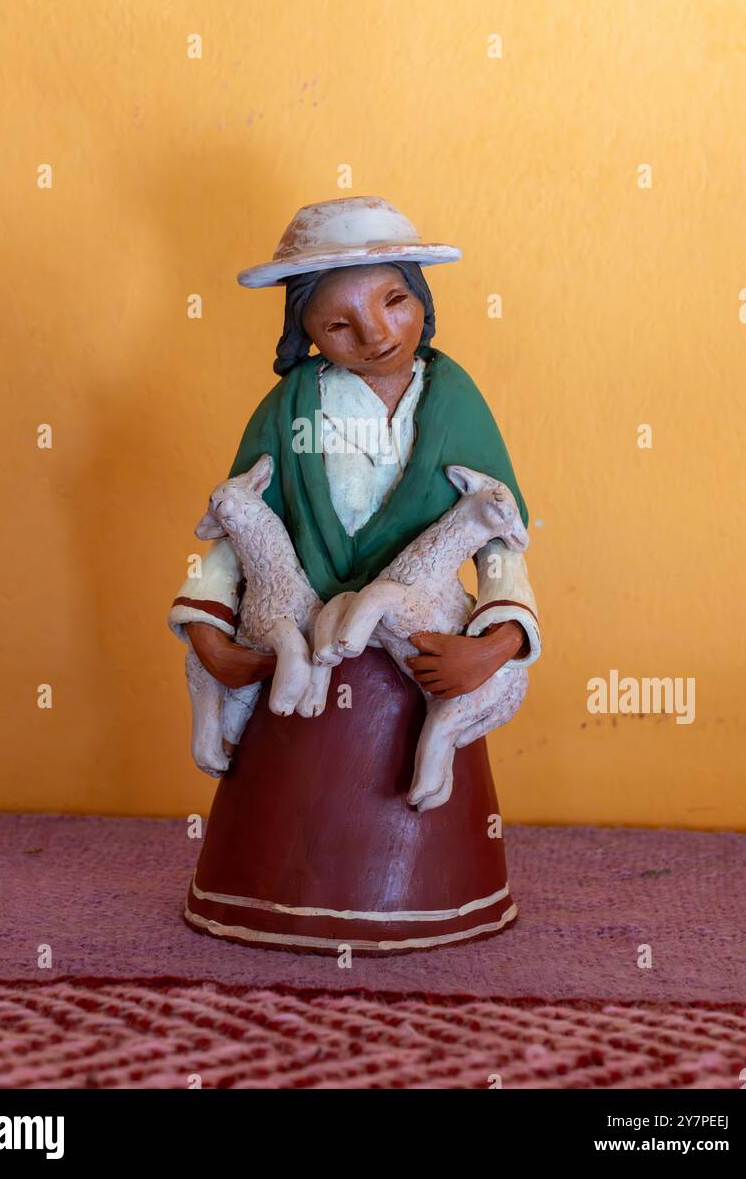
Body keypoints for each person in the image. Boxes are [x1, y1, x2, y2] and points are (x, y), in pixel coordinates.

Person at [169, 196, 541, 953]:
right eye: (339, 324)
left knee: (429, 779)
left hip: (421, 645)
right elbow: (239, 530)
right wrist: (208, 631)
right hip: (297, 645)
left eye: (395, 300)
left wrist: (497, 641)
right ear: (302, 331)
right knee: (282, 814)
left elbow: (500, 538)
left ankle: (431, 895)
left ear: (421, 298)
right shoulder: (289, 408)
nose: (376, 335)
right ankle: (267, 898)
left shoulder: (456, 402)